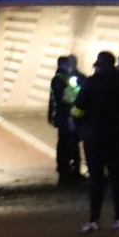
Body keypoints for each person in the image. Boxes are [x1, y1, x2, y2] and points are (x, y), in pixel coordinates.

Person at [72, 51, 119, 232]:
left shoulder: (90, 83)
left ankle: (94, 219)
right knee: (117, 177)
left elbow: (78, 108)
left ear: (99, 65)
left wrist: (78, 123)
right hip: (115, 135)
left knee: (96, 179)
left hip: (93, 136)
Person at [49, 56, 83, 185]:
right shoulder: (61, 79)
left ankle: (69, 172)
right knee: (67, 145)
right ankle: (66, 173)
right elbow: (69, 98)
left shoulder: (60, 78)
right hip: (66, 116)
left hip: (64, 115)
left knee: (68, 144)